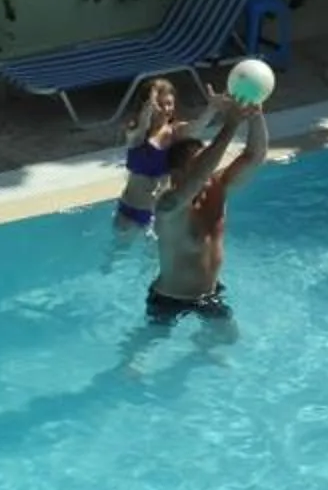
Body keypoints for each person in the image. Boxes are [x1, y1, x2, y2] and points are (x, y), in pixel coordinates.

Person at [146, 99, 268, 320]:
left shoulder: (218, 189)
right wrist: (230, 124)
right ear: (177, 174)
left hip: (209, 294)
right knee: (142, 350)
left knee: (226, 341)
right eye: (199, 162)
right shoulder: (168, 207)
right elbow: (199, 175)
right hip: (169, 298)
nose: (209, 169)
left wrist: (255, 116)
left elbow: (254, 156)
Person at [115, 77, 184, 228]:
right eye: (159, 105)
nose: (165, 109)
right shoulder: (135, 134)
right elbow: (142, 125)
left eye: (169, 104)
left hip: (158, 212)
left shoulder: (175, 132)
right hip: (129, 210)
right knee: (118, 250)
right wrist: (149, 106)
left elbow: (197, 126)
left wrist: (212, 109)